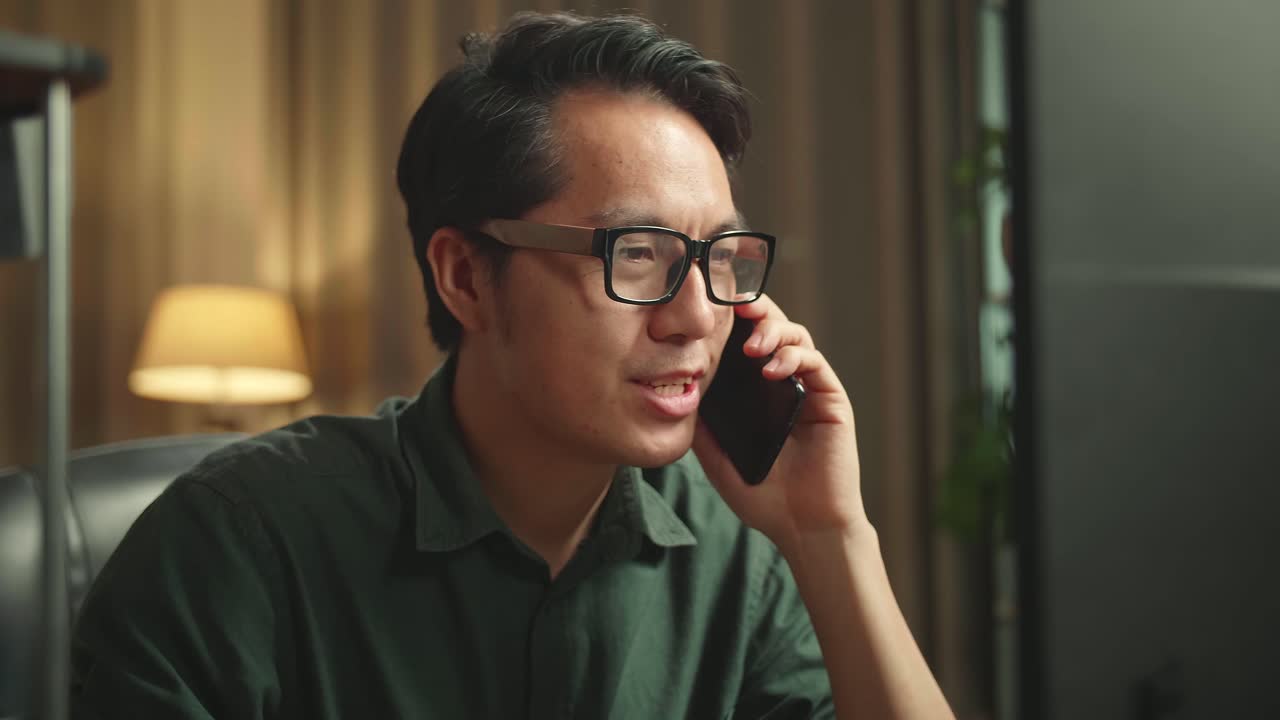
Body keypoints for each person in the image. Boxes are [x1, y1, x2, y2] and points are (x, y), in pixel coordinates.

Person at [70, 12, 953, 720]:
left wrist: (831, 536)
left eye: (719, 256)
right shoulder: (238, 542)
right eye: (635, 254)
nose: (696, 317)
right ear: (465, 277)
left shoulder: (737, 559)